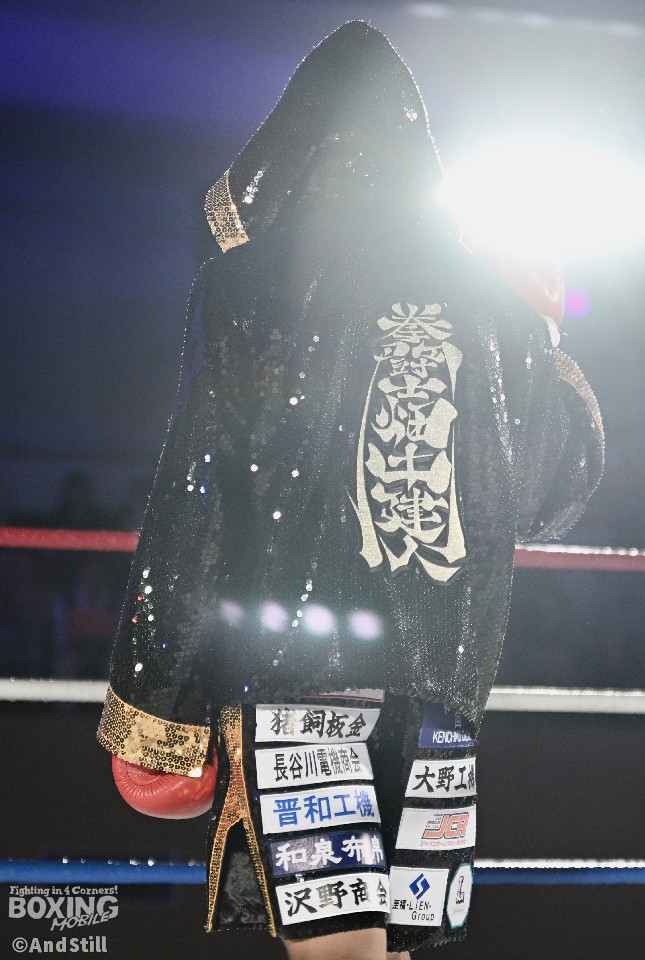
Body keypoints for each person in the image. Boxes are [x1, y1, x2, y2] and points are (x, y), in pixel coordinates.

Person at [97, 21, 604, 959]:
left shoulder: (247, 286)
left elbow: (195, 495)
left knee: (341, 952)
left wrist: (153, 705)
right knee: (387, 950)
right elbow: (549, 498)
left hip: (298, 676)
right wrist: (544, 344)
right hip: (439, 696)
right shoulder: (491, 303)